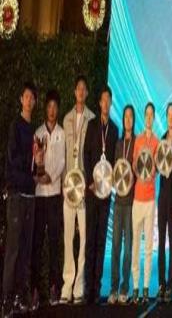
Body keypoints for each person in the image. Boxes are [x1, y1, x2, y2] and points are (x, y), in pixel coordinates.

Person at [1, 82, 38, 317]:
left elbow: (36, 164)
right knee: (13, 250)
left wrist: (37, 168)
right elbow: (13, 160)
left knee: (25, 249)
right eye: (26, 97)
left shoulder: (34, 130)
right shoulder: (15, 126)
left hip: (30, 195)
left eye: (32, 98)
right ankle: (5, 299)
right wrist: (30, 165)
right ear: (21, 100)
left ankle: (18, 296)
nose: (29, 101)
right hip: (16, 195)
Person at [61, 75, 95, 304]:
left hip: (83, 186)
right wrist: (64, 184)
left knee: (83, 237)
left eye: (84, 89)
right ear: (74, 92)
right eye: (78, 89)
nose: (81, 92)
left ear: (87, 93)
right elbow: (64, 153)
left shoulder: (91, 118)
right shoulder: (66, 119)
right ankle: (67, 284)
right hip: (68, 185)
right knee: (68, 237)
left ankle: (79, 285)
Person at [83, 86, 118, 304]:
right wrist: (90, 181)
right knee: (90, 240)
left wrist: (109, 184)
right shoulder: (92, 125)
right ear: (99, 103)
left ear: (111, 103)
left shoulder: (114, 129)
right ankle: (87, 288)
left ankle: (97, 288)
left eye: (108, 100)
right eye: (103, 100)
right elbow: (86, 154)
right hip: (92, 190)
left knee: (101, 241)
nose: (105, 103)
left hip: (105, 193)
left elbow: (114, 160)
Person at [31, 90, 65, 310]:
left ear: (58, 109)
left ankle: (54, 287)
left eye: (55, 107)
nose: (52, 110)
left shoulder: (62, 133)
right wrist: (38, 173)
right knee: (36, 243)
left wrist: (49, 176)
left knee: (54, 242)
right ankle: (35, 290)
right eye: (49, 106)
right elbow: (34, 160)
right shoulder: (38, 132)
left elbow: (61, 161)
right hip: (38, 196)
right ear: (45, 108)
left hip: (53, 194)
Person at [131, 102, 159, 304]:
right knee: (135, 245)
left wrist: (152, 171)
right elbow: (134, 164)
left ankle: (146, 287)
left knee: (148, 246)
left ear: (154, 118)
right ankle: (135, 287)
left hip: (150, 199)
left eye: (151, 115)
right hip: (137, 199)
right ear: (144, 117)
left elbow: (158, 167)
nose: (149, 118)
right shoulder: (138, 140)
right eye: (146, 114)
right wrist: (138, 169)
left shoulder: (157, 142)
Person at [107, 105, 136, 305]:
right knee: (116, 245)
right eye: (125, 116)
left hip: (132, 201)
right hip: (118, 201)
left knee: (128, 248)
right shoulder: (118, 143)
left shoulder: (137, 142)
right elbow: (114, 169)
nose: (127, 119)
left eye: (130, 116)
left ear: (133, 120)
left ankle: (125, 288)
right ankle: (113, 289)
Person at [157, 102, 172, 303]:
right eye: (168, 114)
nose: (171, 117)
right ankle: (161, 284)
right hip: (162, 196)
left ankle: (171, 285)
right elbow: (158, 167)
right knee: (161, 242)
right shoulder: (162, 139)